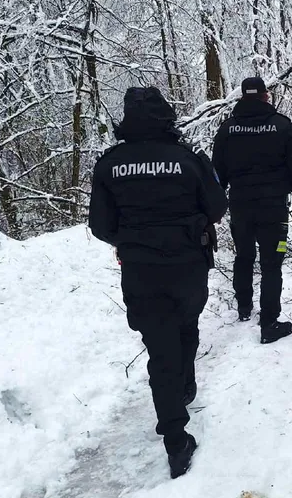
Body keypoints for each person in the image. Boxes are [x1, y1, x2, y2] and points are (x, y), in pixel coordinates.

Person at [88, 87, 227, 480]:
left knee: (160, 349)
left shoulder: (109, 165)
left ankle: (175, 434)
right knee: (186, 328)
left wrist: (132, 236)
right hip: (187, 266)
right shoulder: (188, 160)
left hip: (140, 270)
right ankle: (182, 393)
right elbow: (217, 206)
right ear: (167, 117)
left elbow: (100, 225)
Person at [212, 77, 292, 343]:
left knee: (243, 256)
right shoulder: (281, 125)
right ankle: (269, 321)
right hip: (273, 207)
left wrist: (215, 205)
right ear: (266, 96)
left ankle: (244, 306)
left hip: (240, 205)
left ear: (242, 97)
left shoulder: (228, 129)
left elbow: (216, 171)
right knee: (271, 263)